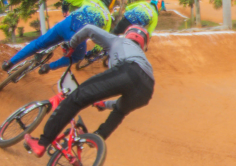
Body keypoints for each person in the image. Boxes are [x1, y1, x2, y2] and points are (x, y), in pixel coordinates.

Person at [24, 23, 154, 157]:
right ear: (144, 44)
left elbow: (89, 29)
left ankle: (42, 143)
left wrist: (71, 45)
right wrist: (104, 104)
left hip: (128, 70)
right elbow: (126, 96)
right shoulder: (143, 59)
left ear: (127, 34)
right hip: (147, 89)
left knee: (76, 98)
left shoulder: (117, 40)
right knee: (120, 111)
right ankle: (97, 137)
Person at [3, 0, 118, 73]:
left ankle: (10, 62)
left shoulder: (90, 0)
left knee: (39, 43)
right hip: (77, 38)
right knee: (77, 57)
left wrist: (65, 9)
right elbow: (100, 44)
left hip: (65, 25)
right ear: (111, 2)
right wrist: (91, 54)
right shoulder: (107, 18)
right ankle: (48, 67)